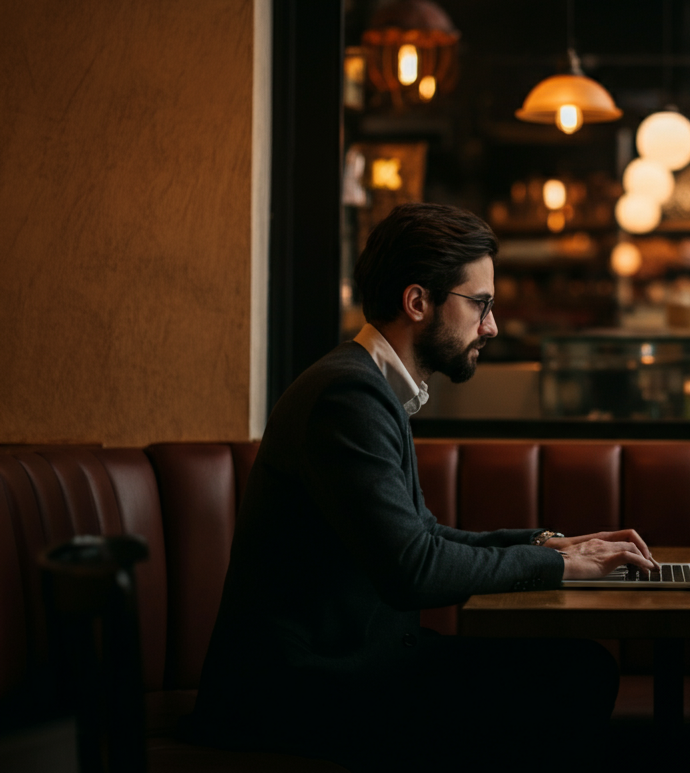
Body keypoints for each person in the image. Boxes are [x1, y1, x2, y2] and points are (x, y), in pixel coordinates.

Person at [189, 203, 658, 772]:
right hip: (298, 692)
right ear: (418, 302)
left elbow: (423, 536)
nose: (491, 325)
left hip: (350, 669)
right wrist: (560, 568)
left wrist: (546, 545)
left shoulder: (366, 387)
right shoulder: (349, 397)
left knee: (575, 669)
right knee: (576, 674)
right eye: (480, 304)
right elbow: (414, 569)